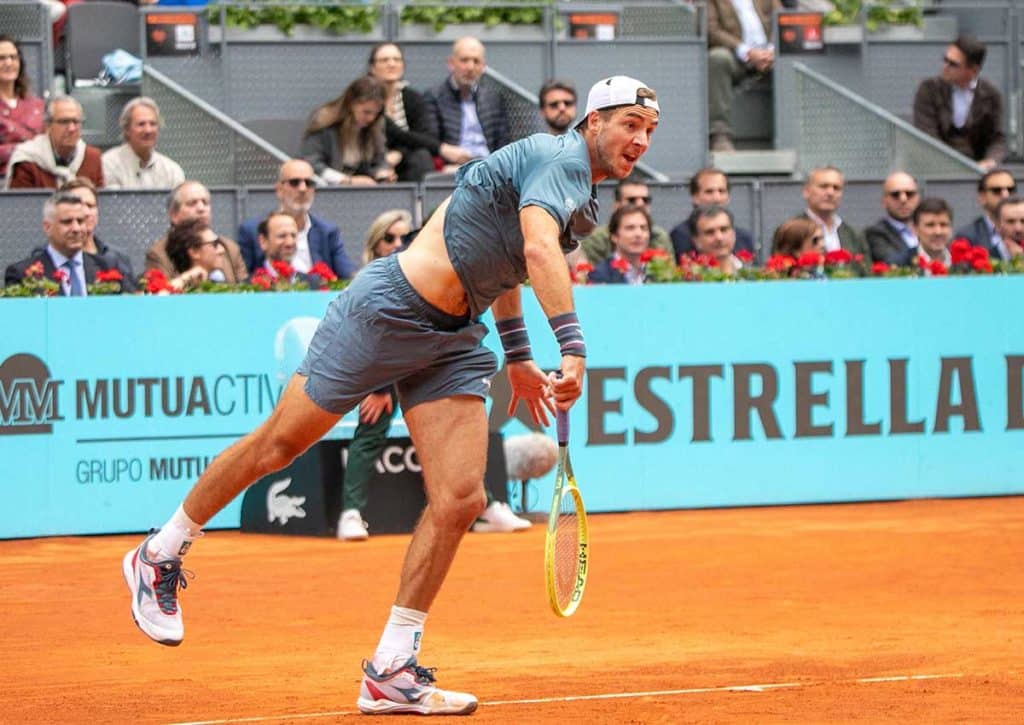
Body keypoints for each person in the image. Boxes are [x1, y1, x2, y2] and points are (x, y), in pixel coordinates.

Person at [121, 74, 659, 716]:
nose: (640, 141)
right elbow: (540, 250)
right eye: (630, 124)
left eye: (649, 131)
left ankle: (391, 667)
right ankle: (160, 552)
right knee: (279, 445)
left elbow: (513, 263)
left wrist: (518, 357)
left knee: (460, 499)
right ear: (592, 122)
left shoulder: (579, 193)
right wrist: (572, 347)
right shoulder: (556, 155)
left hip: (453, 338)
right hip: (386, 312)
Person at [367, 42, 470, 181]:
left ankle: (422, 201)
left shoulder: (411, 97)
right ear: (372, 67)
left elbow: (423, 136)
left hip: (403, 160)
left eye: (397, 59)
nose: (391, 64)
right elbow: (393, 131)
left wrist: (399, 153)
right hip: (369, 156)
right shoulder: (364, 96)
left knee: (421, 156)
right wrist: (442, 148)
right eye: (384, 60)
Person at [236, 159, 355, 279]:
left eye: (309, 183)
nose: (303, 189)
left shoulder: (327, 232)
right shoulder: (252, 230)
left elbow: (348, 274)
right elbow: (244, 279)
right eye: (294, 182)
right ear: (279, 190)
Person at [913, 35, 1005, 170]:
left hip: (978, 168)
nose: (945, 67)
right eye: (945, 60)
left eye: (953, 64)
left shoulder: (991, 94)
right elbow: (927, 135)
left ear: (973, 70)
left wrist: (990, 161)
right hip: (935, 166)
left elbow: (997, 138)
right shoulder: (929, 89)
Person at [5, 192, 122, 294]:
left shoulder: (106, 268)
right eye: (67, 222)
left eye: (80, 221)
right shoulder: (23, 274)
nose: (76, 229)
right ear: (47, 227)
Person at [423, 36, 511, 172]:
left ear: (483, 67)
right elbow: (431, 140)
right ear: (451, 63)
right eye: (464, 60)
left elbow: (503, 142)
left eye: (476, 61)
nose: (470, 67)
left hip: (489, 168)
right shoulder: (435, 96)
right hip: (453, 169)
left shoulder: (493, 98)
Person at [706, 0, 782, 151]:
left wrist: (772, 51)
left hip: (770, 56)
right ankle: (720, 134)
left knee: (793, 56)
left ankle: (792, 132)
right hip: (736, 57)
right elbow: (711, 30)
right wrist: (747, 52)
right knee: (717, 58)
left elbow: (781, 19)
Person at [301, 75, 396, 186]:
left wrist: (382, 173)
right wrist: (346, 180)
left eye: (376, 113)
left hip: (363, 190)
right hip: (326, 189)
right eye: (366, 112)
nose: (371, 118)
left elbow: (380, 160)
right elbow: (310, 164)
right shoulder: (324, 121)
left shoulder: (376, 124)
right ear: (351, 104)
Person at [145, 180, 248, 282]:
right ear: (174, 215)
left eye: (205, 202)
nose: (201, 208)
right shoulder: (159, 254)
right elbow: (160, 294)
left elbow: (247, 292)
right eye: (192, 203)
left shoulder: (229, 248)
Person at [5, 95, 103, 189]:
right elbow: (21, 205)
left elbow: (101, 202)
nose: (71, 128)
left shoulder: (92, 157)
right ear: (48, 126)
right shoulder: (28, 160)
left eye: (76, 122)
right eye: (64, 122)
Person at [578, 176, 672, 264]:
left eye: (645, 200)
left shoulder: (660, 237)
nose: (640, 204)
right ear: (617, 205)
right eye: (632, 200)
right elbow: (590, 276)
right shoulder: (597, 240)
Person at [57, 177, 135, 283]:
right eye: (78, 205)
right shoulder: (47, 260)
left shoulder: (118, 258)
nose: (86, 212)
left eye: (90, 206)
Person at [669, 166, 755, 258]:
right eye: (709, 192)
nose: (717, 198)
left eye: (721, 191)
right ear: (695, 197)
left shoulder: (744, 237)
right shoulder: (681, 235)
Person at [101, 97, 185, 189]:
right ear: (127, 129)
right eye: (141, 124)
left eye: (153, 124)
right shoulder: (108, 164)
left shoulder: (172, 171)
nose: (148, 130)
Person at [801, 165, 872, 263]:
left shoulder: (853, 234)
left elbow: (866, 272)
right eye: (823, 186)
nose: (830, 192)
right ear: (806, 191)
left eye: (836, 188)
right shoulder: (791, 232)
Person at [0, 35, 45, 180]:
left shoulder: (36, 105)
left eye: (13, 57)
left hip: (36, 177)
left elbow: (48, 145)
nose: (8, 63)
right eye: (1, 58)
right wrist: (26, 149)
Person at [954, 168, 1021, 261]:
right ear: (982, 197)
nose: (1005, 195)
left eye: (1010, 190)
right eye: (997, 190)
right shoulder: (967, 237)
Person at [863, 171, 920, 266]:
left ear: (918, 198)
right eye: (895, 194)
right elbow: (890, 263)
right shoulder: (875, 233)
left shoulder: (929, 228)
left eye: (909, 194)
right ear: (884, 201)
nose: (903, 199)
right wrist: (925, 248)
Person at [587, 204, 654, 284]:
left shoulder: (660, 271)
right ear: (614, 236)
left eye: (643, 228)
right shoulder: (600, 275)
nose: (638, 234)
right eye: (630, 228)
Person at [164, 217, 229, 290]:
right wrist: (186, 278)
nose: (222, 249)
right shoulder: (178, 293)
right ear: (194, 252)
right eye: (215, 244)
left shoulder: (219, 284)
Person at [689, 204, 744, 275]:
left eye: (724, 229)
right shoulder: (686, 280)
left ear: (734, 233)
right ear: (696, 240)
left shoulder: (753, 275)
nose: (719, 238)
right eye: (710, 232)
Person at [911, 197, 954, 267]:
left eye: (943, 225)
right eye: (930, 225)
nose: (938, 232)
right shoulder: (899, 264)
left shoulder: (965, 263)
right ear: (915, 229)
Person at [993, 195, 1024, 262]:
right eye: (1010, 221)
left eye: (1023, 221)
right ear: (997, 225)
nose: (1018, 228)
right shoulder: (985, 258)